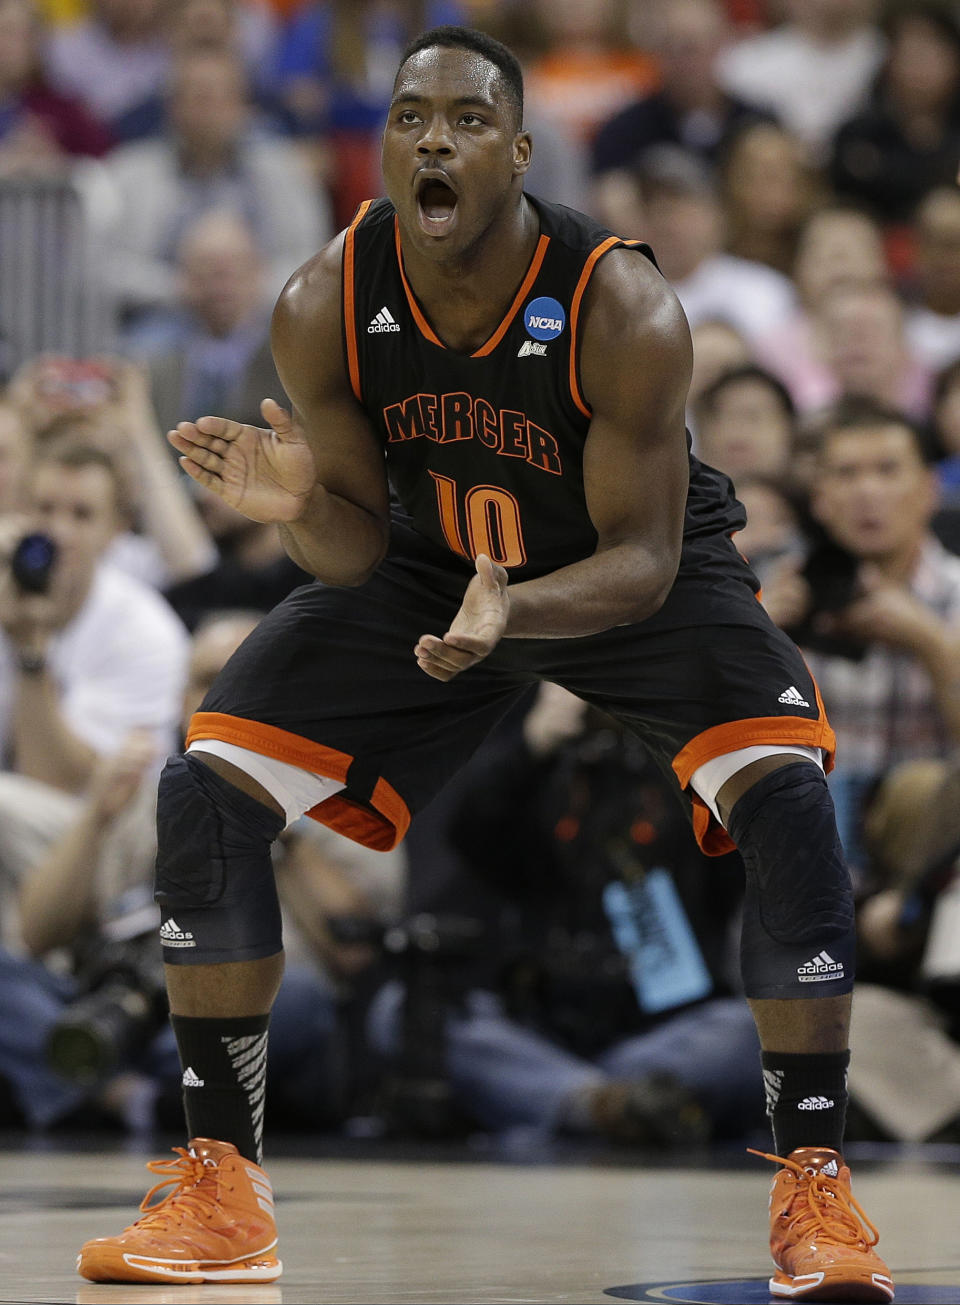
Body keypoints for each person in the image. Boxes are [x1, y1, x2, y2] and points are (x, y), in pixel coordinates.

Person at [77, 26, 894, 1301]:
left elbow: (641, 558)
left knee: (788, 791)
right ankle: (222, 1189)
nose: (435, 141)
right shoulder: (325, 300)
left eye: (465, 119)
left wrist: (512, 615)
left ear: (518, 151)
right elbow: (349, 552)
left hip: (629, 576)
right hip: (428, 566)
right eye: (410, 118)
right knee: (208, 789)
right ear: (385, 146)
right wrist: (298, 507)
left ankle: (817, 1189)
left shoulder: (618, 302)